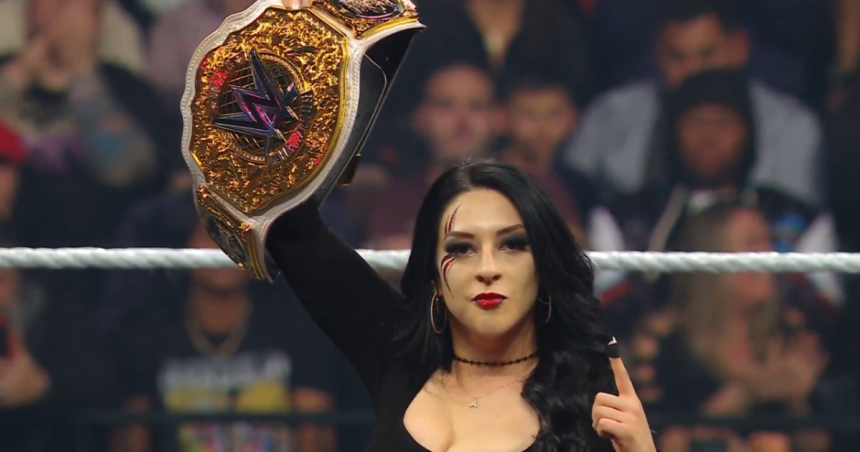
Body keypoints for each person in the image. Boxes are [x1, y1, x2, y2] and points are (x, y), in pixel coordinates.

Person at [264, 160, 657, 452]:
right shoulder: (400, 352)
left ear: (543, 267)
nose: (487, 269)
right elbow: (287, 223)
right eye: (461, 249)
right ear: (433, 276)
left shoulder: (584, 394)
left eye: (512, 245)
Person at [564, 0, 822, 205]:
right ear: (657, 54)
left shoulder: (793, 127)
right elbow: (568, 205)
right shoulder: (608, 116)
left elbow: (803, 224)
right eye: (678, 57)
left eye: (706, 55)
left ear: (739, 48)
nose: (693, 72)